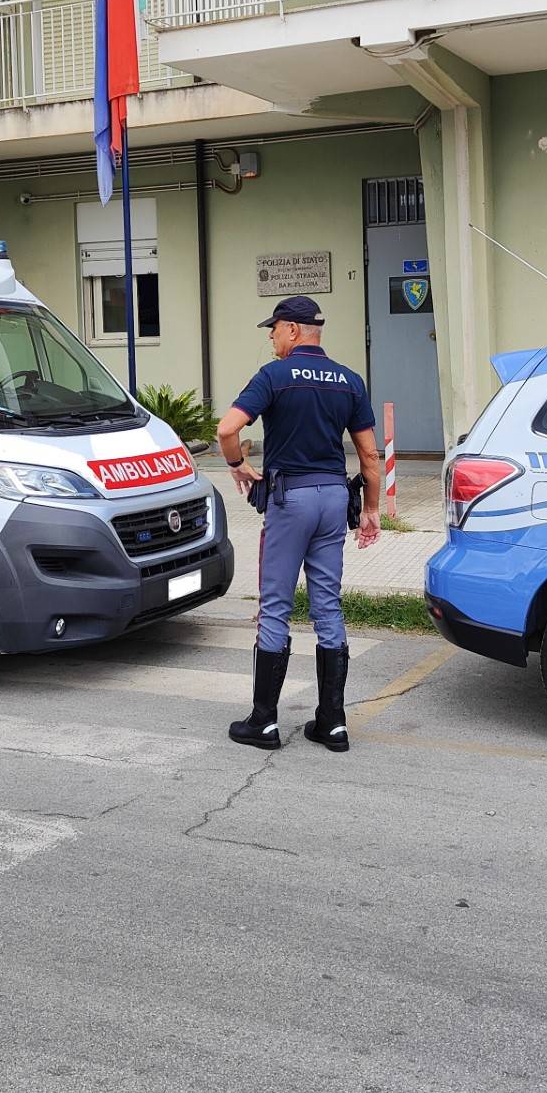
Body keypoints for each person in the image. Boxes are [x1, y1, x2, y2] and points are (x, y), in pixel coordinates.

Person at [215, 295, 382, 753]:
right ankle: (332, 722)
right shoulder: (349, 381)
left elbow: (227, 429)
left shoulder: (274, 376)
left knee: (275, 606)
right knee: (328, 606)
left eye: (273, 329)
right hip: (333, 499)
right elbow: (369, 454)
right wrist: (371, 509)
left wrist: (236, 465)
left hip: (291, 501)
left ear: (292, 330)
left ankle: (264, 722)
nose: (270, 336)